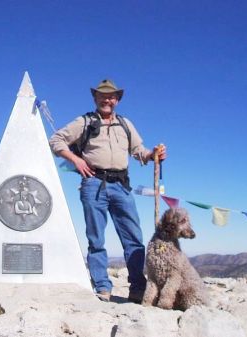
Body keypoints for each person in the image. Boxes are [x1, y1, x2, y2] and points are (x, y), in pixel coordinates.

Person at [49, 79, 166, 303]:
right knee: (96, 238)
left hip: (121, 185)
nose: (107, 99)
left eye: (112, 96)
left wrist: (153, 155)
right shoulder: (84, 121)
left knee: (133, 237)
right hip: (93, 183)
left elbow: (138, 151)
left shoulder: (125, 124)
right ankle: (102, 286)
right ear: (95, 98)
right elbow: (56, 140)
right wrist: (76, 160)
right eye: (103, 95)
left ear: (117, 100)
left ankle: (137, 288)